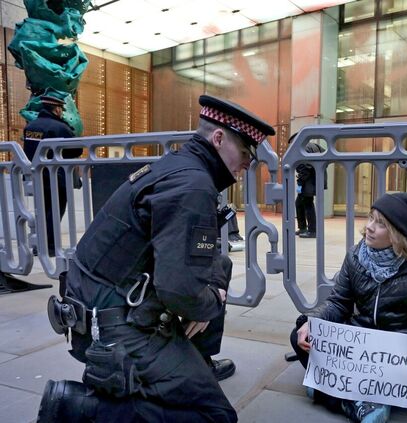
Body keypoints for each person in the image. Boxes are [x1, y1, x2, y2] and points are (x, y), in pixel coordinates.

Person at [38, 95, 275, 422]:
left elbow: (193, 266)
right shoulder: (193, 186)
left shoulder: (178, 167)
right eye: (246, 153)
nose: (249, 164)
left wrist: (203, 298)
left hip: (99, 302)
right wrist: (210, 302)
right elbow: (179, 291)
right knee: (214, 415)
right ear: (218, 138)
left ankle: (190, 364)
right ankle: (79, 407)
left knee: (219, 266)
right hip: (113, 325)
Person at [290, 192, 407, 422]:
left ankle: (333, 392)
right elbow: (338, 302)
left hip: (396, 350)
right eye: (370, 218)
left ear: (398, 234)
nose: (370, 227)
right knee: (300, 335)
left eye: (381, 224)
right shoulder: (356, 256)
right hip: (358, 346)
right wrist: (312, 321)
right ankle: (362, 401)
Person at [23, 94, 82, 256]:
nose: (62, 112)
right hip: (57, 178)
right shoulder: (60, 127)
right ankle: (50, 247)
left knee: (41, 211)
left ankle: (39, 246)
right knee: (55, 212)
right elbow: (77, 149)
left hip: (37, 177)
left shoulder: (31, 127)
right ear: (56, 109)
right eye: (61, 109)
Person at [292, 134, 326, 238]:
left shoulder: (303, 148)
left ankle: (312, 231)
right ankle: (303, 227)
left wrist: (300, 184)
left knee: (307, 204)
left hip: (308, 182)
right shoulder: (314, 146)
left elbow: (304, 169)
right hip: (316, 180)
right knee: (300, 203)